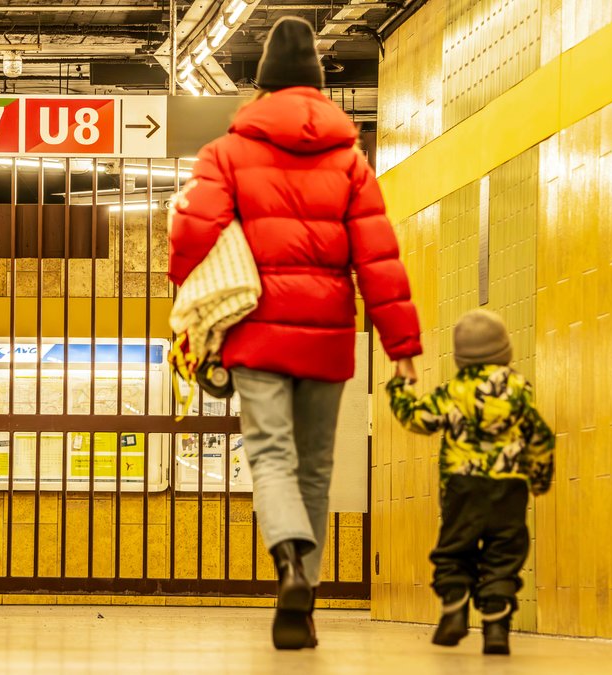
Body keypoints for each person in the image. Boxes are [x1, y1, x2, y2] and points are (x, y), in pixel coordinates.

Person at [168, 16, 423, 650]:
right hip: (328, 336)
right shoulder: (349, 160)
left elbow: (191, 231)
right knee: (316, 466)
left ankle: (287, 563)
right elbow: (378, 257)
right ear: (317, 87)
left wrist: (188, 292)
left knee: (270, 455)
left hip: (256, 334)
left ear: (261, 86)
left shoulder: (226, 153)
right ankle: (303, 596)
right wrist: (401, 345)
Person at [386, 309, 555, 655]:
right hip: (509, 487)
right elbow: (540, 435)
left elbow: (417, 418)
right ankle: (496, 629)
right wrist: (538, 479)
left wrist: (399, 387)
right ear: (505, 351)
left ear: (460, 356)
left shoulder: (454, 391)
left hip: (462, 487)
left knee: (455, 548)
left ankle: (454, 607)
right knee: (503, 554)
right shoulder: (519, 390)